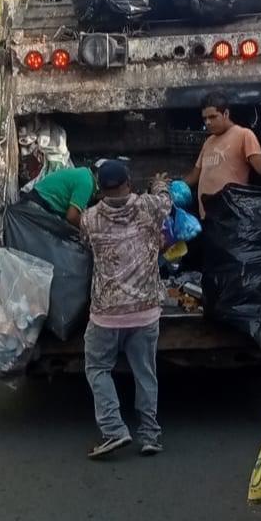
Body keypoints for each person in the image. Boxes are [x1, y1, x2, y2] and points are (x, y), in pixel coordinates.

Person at [80, 160, 172, 459]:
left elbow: (85, 245)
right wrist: (158, 182)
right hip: (145, 311)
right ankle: (150, 435)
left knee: (97, 369)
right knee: (145, 373)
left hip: (106, 314)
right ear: (129, 182)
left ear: (99, 188)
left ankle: (114, 430)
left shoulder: (89, 218)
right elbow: (166, 200)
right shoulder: (150, 208)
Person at [183, 91, 261, 217]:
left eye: (213, 117)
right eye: (205, 118)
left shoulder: (244, 135)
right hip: (207, 217)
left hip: (230, 216)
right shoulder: (208, 142)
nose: (207, 122)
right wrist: (170, 186)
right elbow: (194, 176)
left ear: (226, 114)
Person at [26, 166, 95, 227]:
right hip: (38, 207)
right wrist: (88, 230)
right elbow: (71, 217)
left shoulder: (84, 173)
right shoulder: (87, 183)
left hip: (34, 199)